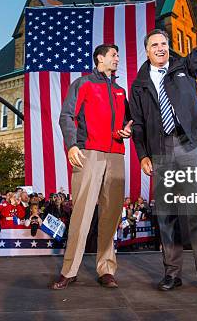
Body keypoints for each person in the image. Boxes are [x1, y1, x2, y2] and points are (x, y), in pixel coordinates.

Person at [129, 0, 197, 293]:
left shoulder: (184, 66)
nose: (161, 48)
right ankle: (172, 273)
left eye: (164, 43)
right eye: (155, 44)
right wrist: (142, 154)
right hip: (161, 151)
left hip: (190, 145)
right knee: (167, 215)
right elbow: (139, 124)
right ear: (146, 50)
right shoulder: (140, 84)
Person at [51, 43, 133, 290]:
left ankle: (106, 269)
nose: (117, 58)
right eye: (113, 55)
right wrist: (72, 145)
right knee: (82, 213)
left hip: (116, 154)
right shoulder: (83, 83)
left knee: (111, 215)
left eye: (118, 55)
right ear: (100, 58)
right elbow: (67, 116)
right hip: (89, 153)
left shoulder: (120, 91)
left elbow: (129, 120)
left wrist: (127, 130)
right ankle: (69, 270)